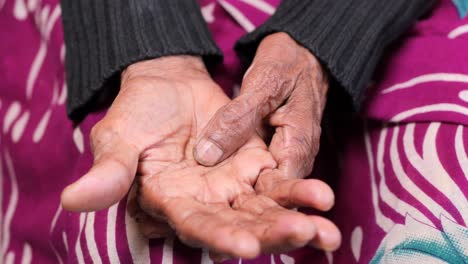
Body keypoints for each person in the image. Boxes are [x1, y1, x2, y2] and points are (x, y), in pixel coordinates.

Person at [0, 0, 444, 263]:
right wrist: (154, 57)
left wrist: (318, 42)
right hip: (115, 22)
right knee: (130, 237)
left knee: (439, 192)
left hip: (363, 17)